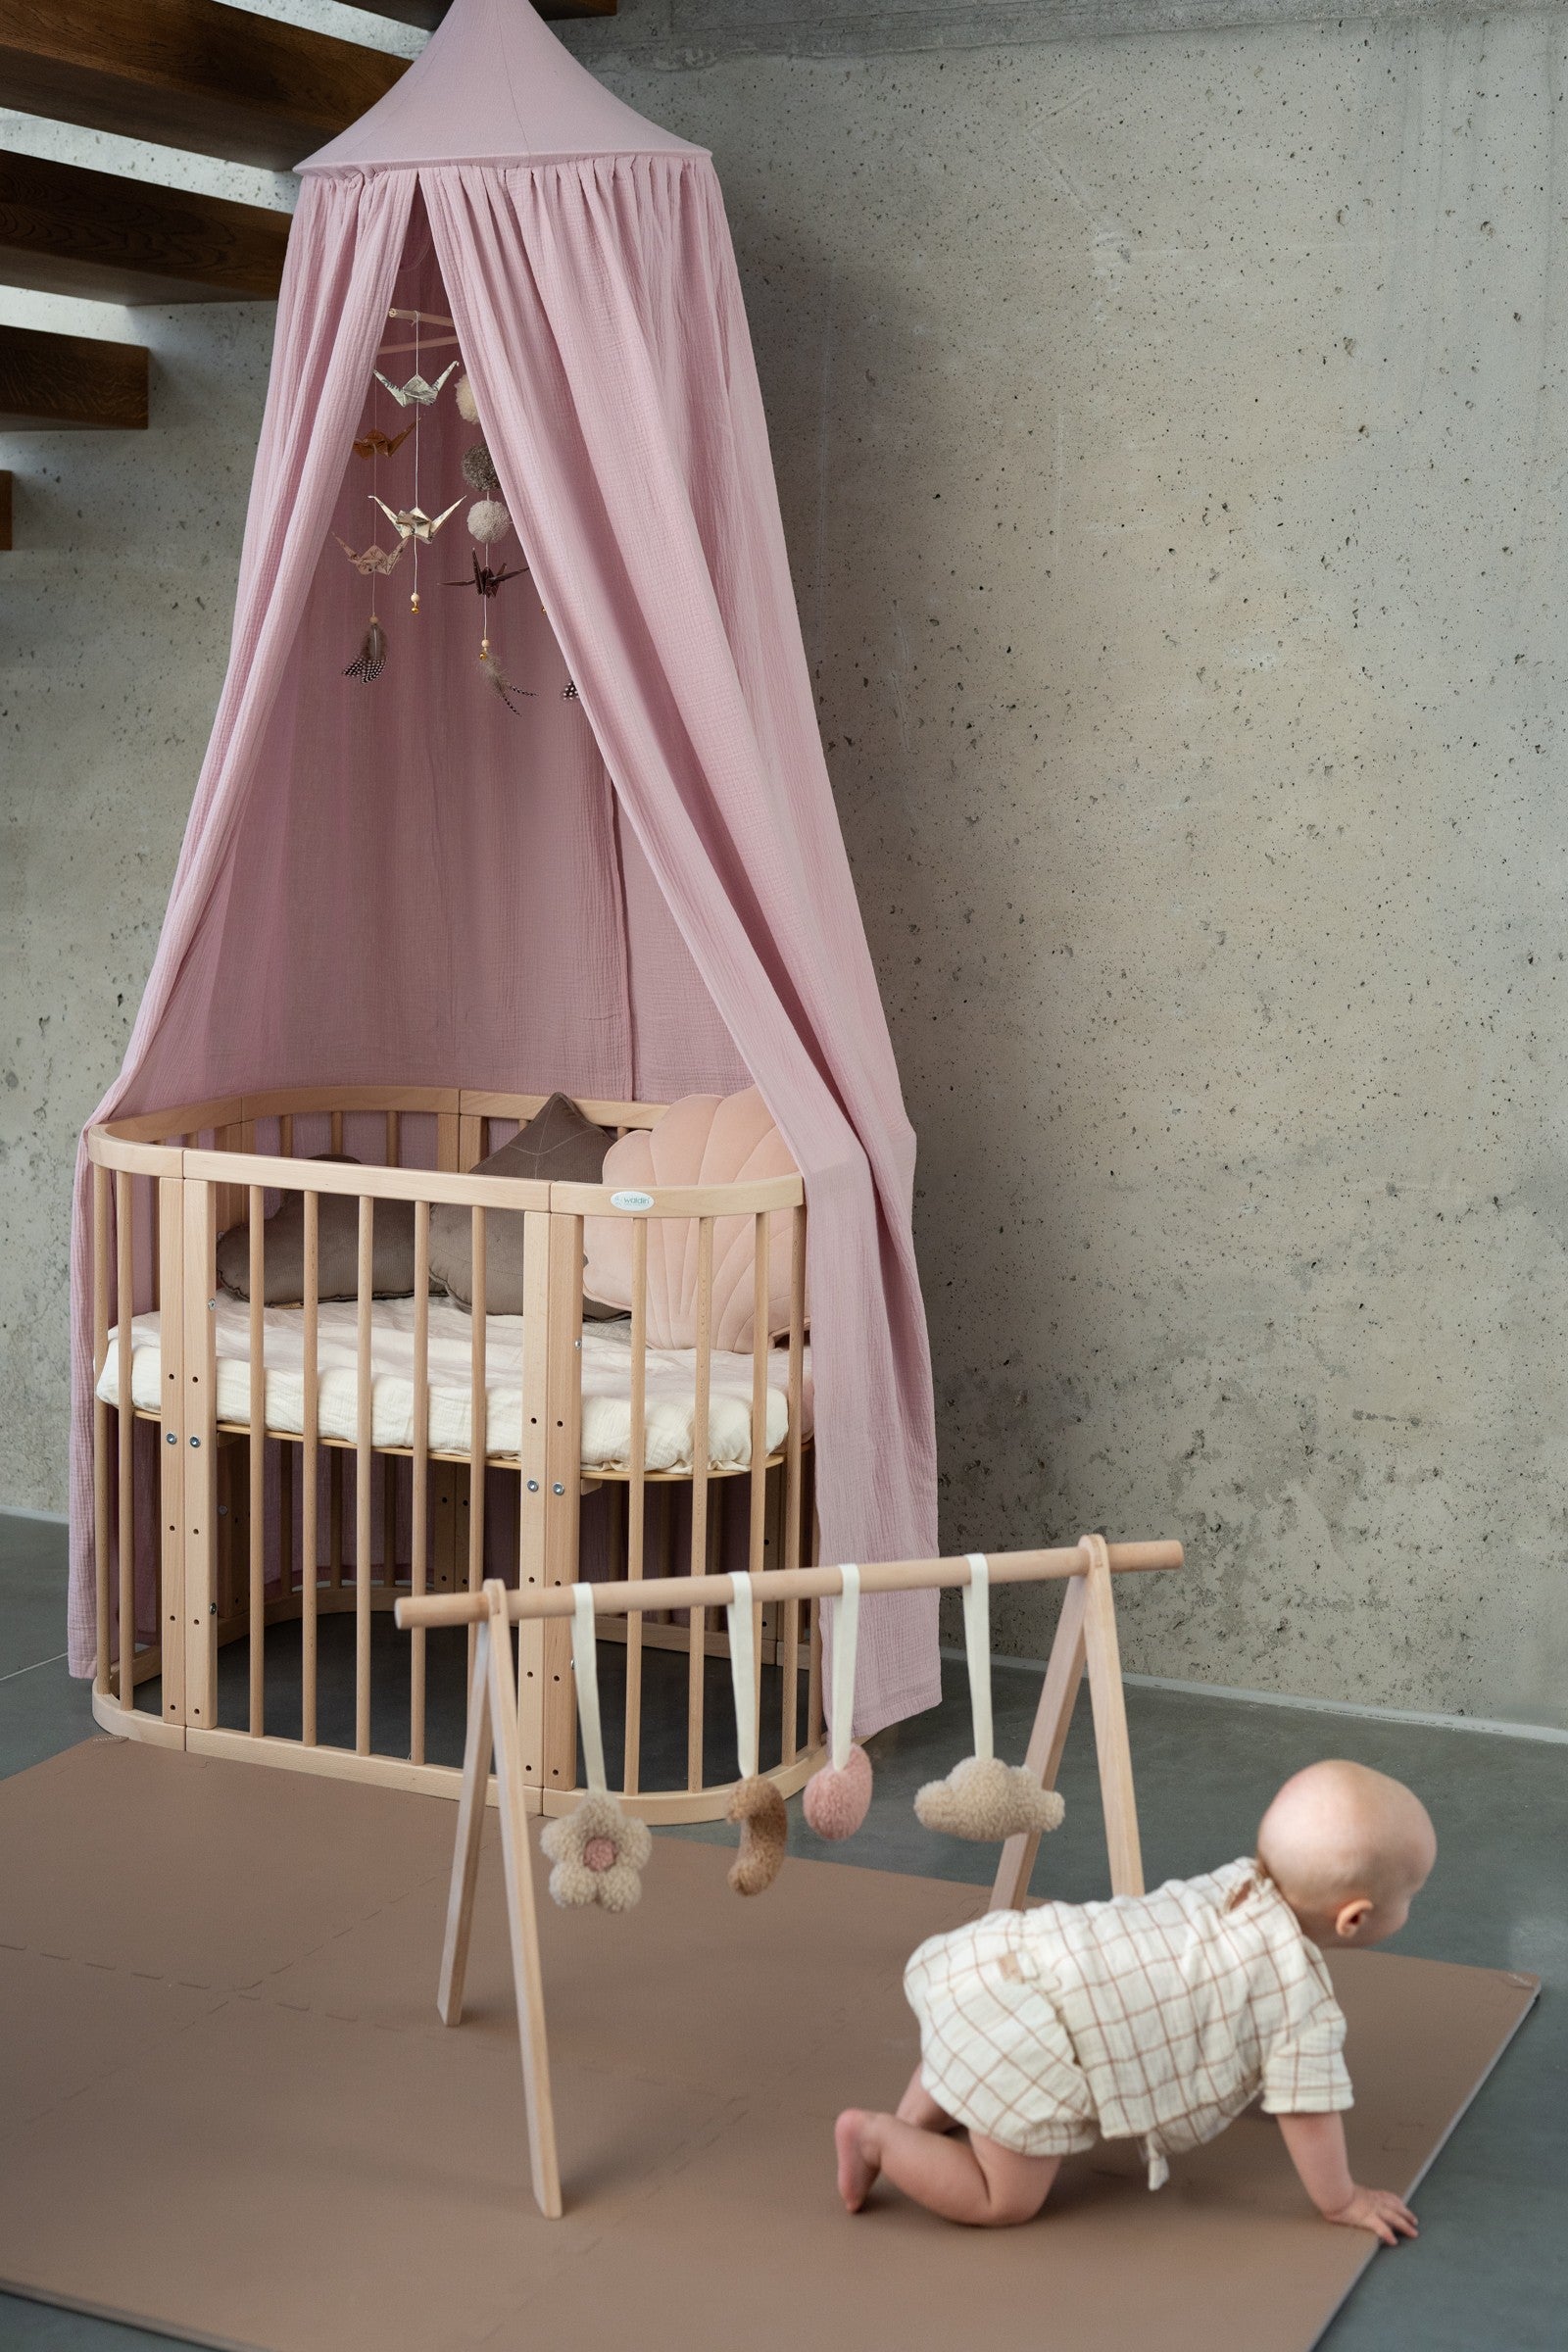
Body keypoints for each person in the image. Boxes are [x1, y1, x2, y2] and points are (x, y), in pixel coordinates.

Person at [835, 1758, 1435, 2238]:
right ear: (1353, 1918)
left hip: (1004, 1958)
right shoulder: (1300, 2003)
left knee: (975, 2041)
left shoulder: (1237, 1880)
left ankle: (916, 2123)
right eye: (1412, 1896)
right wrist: (1342, 2200)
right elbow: (1308, 2114)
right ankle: (878, 2139)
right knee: (1004, 2198)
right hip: (1031, 2039)